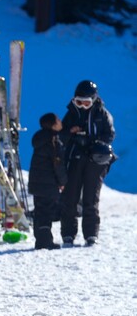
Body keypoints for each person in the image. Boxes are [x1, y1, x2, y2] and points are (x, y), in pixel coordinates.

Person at [59, 80, 115, 247]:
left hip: (95, 160)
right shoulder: (71, 113)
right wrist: (71, 134)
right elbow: (61, 135)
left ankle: (91, 234)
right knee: (71, 196)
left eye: (86, 103)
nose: (83, 106)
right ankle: (68, 234)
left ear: (94, 99)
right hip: (75, 158)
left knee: (91, 197)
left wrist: (93, 143)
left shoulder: (102, 114)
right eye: (79, 102)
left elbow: (110, 135)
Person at [28, 113, 67, 250]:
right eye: (58, 120)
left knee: (39, 211)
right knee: (46, 212)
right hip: (48, 183)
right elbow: (58, 165)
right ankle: (45, 242)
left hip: (36, 182)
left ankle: (40, 239)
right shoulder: (54, 141)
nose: (61, 122)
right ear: (53, 124)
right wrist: (63, 181)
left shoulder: (39, 139)